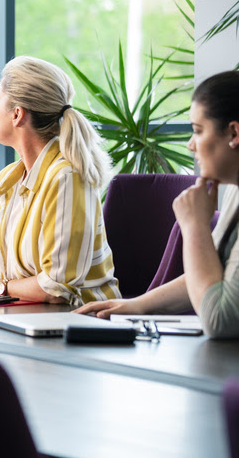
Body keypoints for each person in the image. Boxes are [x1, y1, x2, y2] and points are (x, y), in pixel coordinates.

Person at [76, 70, 239, 338]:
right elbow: (211, 278)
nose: (190, 145)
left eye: (198, 131)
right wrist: (134, 306)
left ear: (233, 133)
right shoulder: (234, 191)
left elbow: (219, 321)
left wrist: (195, 226)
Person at [0, 55, 121, 305]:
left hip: (76, 327)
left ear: (17, 114)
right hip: (18, 320)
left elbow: (56, 288)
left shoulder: (66, 179)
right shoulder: (7, 179)